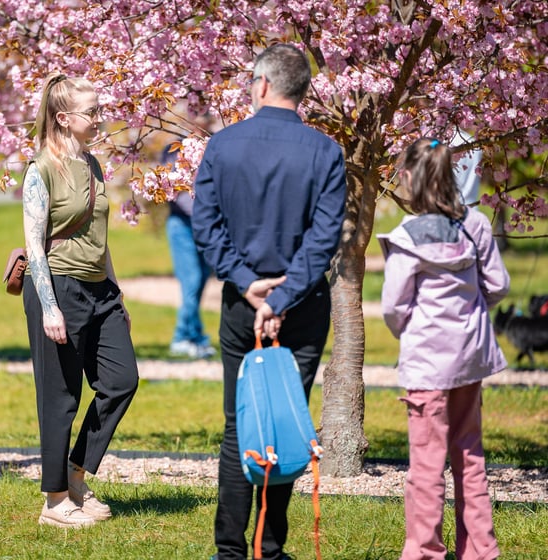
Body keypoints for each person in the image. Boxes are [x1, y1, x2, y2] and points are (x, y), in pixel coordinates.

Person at [192, 44, 347, 560]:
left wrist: (244, 282)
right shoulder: (324, 151)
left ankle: (231, 550)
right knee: (284, 420)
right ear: (302, 92)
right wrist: (280, 295)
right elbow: (324, 240)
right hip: (300, 303)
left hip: (245, 303)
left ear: (260, 85)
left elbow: (205, 226)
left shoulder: (222, 146)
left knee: (241, 427)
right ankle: (270, 548)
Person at [378, 138, 508, 560]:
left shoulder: (405, 236)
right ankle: (480, 551)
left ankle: (423, 551)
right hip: (470, 360)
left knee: (427, 465)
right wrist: (469, 313)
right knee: (469, 456)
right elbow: (498, 286)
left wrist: (412, 331)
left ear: (412, 178)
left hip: (427, 367)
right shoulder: (477, 225)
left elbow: (394, 306)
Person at [21, 73, 139, 528]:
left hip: (99, 289)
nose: (99, 119)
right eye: (92, 112)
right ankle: (54, 502)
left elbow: (98, 234)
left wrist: (117, 293)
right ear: (64, 119)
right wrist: (50, 306)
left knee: (121, 380)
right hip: (58, 287)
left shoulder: (91, 163)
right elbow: (34, 245)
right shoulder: (41, 169)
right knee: (61, 397)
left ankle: (75, 472)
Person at [163, 125, 215, 360]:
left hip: (206, 225)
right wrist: (205, 214)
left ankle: (193, 334)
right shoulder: (173, 151)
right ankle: (183, 337)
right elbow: (178, 194)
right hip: (182, 225)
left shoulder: (212, 147)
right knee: (191, 279)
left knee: (202, 278)